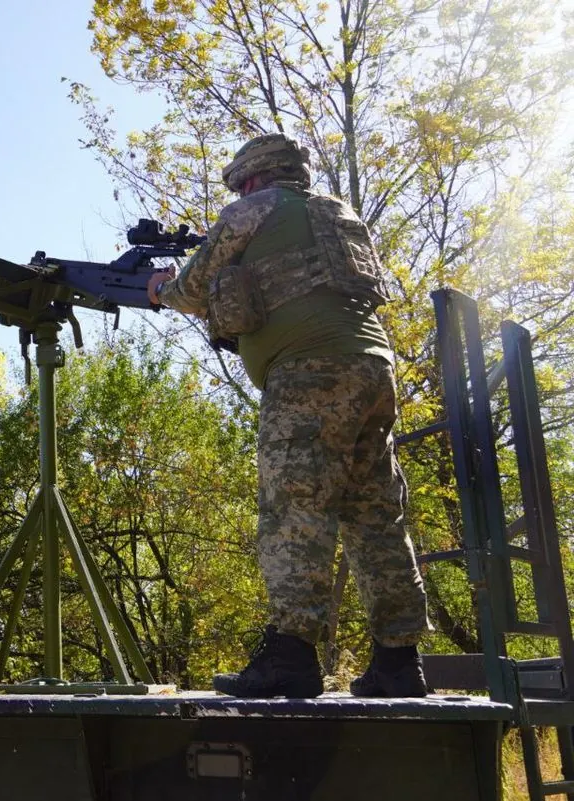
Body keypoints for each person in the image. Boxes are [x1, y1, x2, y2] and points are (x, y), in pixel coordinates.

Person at [146, 133, 430, 699]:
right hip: (374, 368)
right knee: (375, 514)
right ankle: (400, 664)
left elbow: (193, 287)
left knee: (296, 508)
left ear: (254, 178)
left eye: (243, 182)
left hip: (310, 372)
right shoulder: (338, 213)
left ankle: (292, 657)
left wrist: (160, 289)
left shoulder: (251, 210)